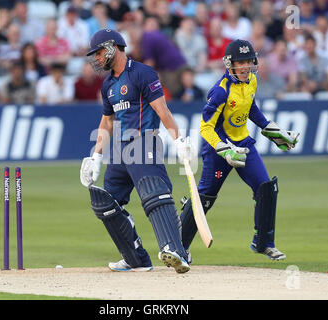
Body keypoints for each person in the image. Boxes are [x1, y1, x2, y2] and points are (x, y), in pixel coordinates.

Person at [80, 29, 192, 273]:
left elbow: (162, 110)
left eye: (99, 52)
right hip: (121, 150)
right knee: (106, 203)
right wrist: (96, 156)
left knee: (154, 195)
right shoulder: (108, 84)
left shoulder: (142, 73)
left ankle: (176, 251)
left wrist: (179, 141)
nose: (97, 59)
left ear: (113, 47)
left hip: (144, 142)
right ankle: (136, 258)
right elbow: (107, 122)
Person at [179, 39, 299, 262]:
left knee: (266, 189)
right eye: (239, 62)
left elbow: (251, 108)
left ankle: (263, 243)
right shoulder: (220, 91)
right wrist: (225, 150)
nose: (244, 67)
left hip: (243, 144)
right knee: (205, 197)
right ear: (229, 64)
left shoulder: (252, 80)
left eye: (247, 61)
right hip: (218, 150)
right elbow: (205, 127)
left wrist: (272, 131)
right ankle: (179, 247)